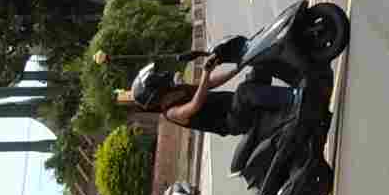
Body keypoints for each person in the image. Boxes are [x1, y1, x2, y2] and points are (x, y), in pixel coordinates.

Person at [118, 54, 296, 137]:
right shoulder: (171, 113)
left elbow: (209, 84)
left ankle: (298, 77)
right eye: (156, 77)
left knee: (259, 62)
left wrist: (238, 67)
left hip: (235, 104)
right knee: (244, 92)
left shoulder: (179, 90)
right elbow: (194, 105)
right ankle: (297, 97)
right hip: (232, 121)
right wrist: (205, 73)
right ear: (154, 89)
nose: (162, 75)